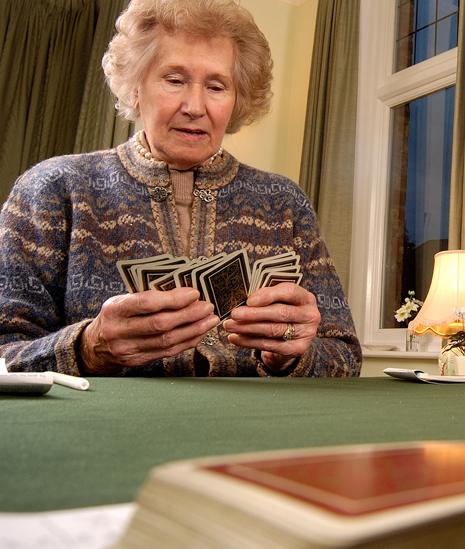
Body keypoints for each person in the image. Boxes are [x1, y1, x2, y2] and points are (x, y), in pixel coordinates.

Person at [0, 0, 361, 377]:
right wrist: (89, 347)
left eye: (217, 86)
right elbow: (5, 351)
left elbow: (345, 357)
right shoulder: (53, 189)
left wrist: (292, 356)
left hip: (254, 431)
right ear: (135, 86)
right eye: (174, 80)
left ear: (236, 101)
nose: (195, 105)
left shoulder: (283, 202)